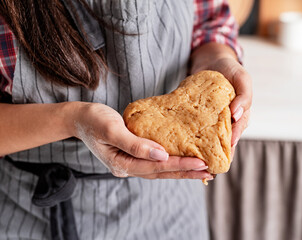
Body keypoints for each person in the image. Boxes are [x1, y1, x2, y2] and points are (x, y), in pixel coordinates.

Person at [0, 0, 252, 239]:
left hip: (170, 207)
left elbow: (208, 23)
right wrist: (73, 120)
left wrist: (219, 61)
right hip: (33, 214)